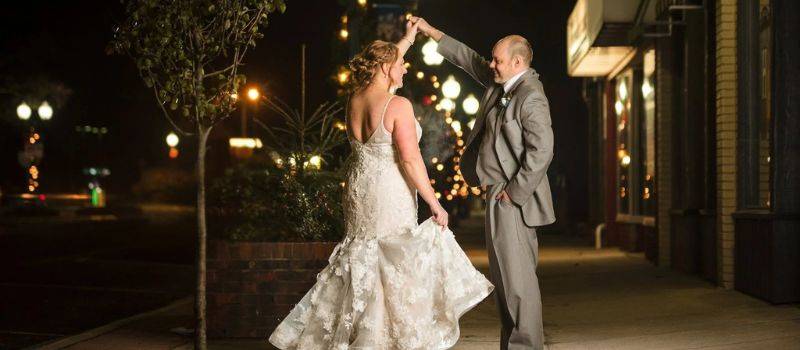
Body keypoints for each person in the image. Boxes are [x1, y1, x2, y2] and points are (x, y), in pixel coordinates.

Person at [268, 20, 493, 349]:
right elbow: (411, 160)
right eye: (401, 64)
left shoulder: (355, 100)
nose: (405, 68)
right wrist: (434, 202)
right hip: (389, 192)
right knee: (391, 265)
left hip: (361, 189)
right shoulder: (397, 106)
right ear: (387, 68)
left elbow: (387, 62)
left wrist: (407, 40)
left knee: (365, 256)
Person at [411, 16, 556, 350]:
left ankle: (527, 346)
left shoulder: (530, 96)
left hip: (512, 200)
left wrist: (514, 193)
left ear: (518, 62)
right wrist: (431, 32)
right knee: (505, 281)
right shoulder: (501, 84)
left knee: (518, 284)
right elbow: (468, 58)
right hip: (495, 195)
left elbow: (542, 150)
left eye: (498, 60)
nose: (491, 64)